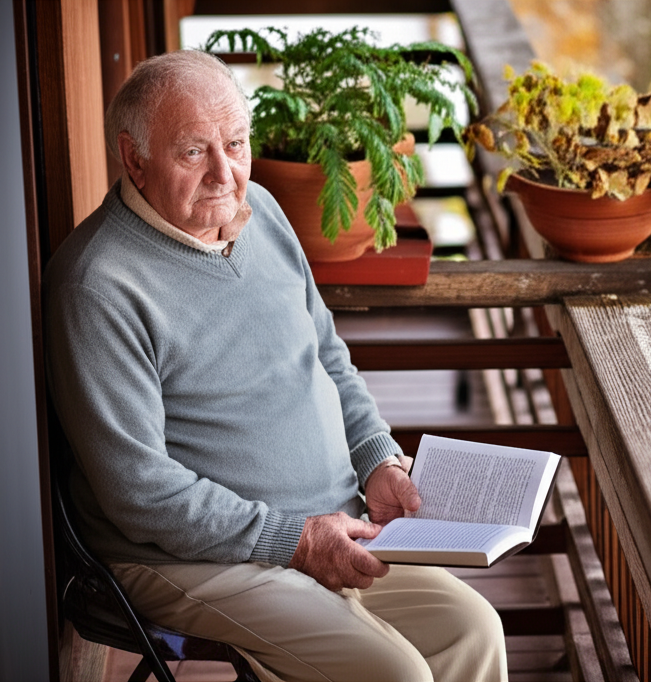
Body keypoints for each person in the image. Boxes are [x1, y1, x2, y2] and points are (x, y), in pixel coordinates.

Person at [44, 49, 506, 682]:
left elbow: (326, 355)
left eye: (235, 144)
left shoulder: (262, 210)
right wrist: (293, 539)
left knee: (474, 630)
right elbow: (140, 493)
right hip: (190, 558)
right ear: (134, 159)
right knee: (394, 672)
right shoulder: (100, 284)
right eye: (192, 152)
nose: (224, 173)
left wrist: (376, 458)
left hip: (330, 521)